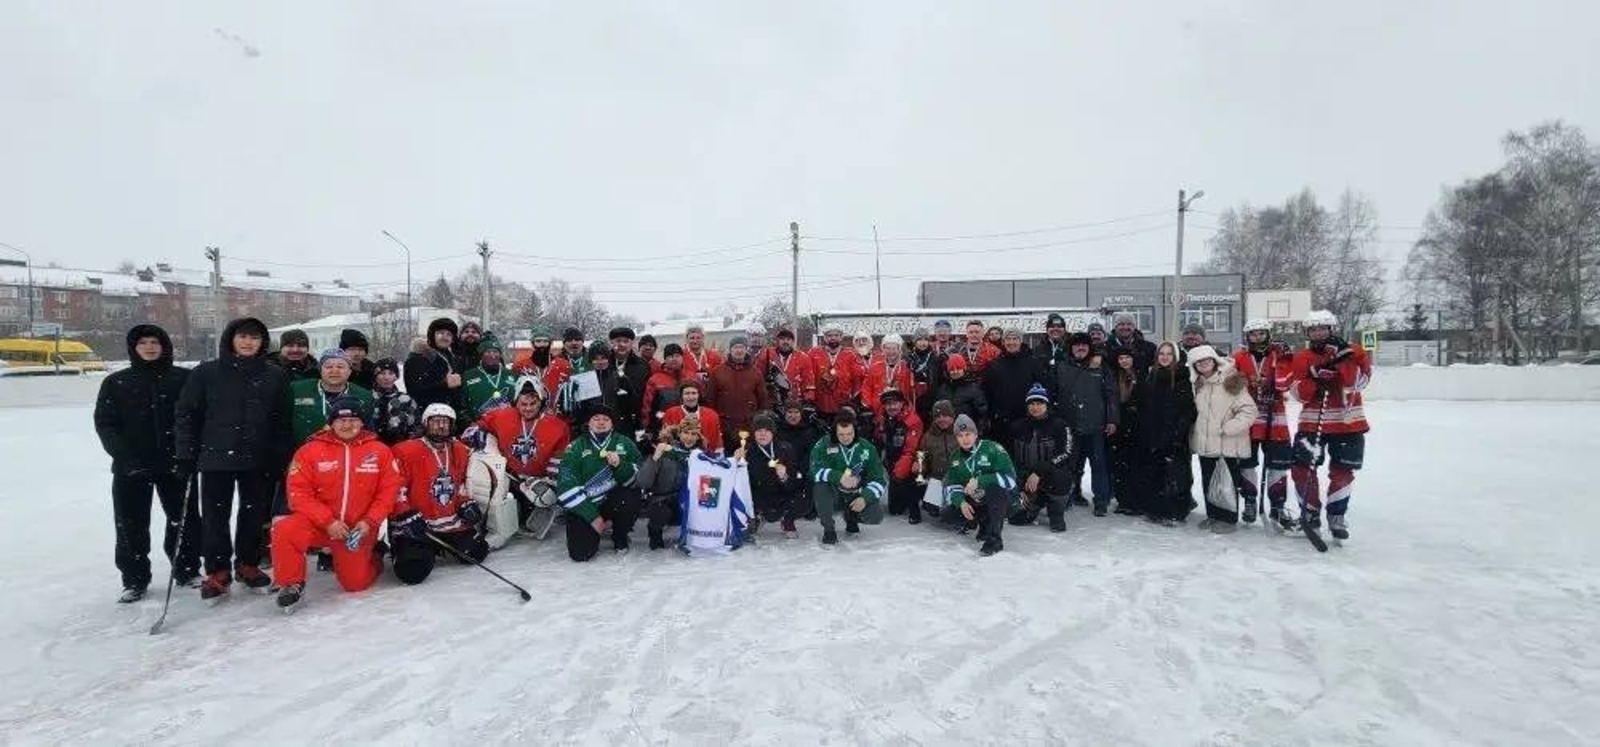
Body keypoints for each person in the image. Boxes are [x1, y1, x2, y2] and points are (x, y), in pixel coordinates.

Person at [175, 317, 291, 602]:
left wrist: (280, 454)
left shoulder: (274, 374)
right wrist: (185, 452)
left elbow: (281, 420)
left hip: (257, 457)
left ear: (263, 342)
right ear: (231, 339)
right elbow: (186, 414)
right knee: (215, 515)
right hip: (216, 456)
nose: (248, 342)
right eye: (243, 337)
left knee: (253, 514)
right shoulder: (206, 373)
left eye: (255, 337)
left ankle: (247, 564)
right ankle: (217, 570)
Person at [94, 324, 201, 602]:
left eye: (155, 341)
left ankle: (187, 569)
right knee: (130, 524)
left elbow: (197, 418)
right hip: (132, 466)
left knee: (184, 519)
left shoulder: (184, 378)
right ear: (134, 348)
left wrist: (188, 455)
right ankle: (135, 578)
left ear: (165, 345)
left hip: (176, 463)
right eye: (143, 343)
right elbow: (106, 424)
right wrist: (124, 456)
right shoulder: (116, 382)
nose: (150, 347)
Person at [270, 398, 399, 612]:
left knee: (355, 584)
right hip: (319, 524)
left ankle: (375, 553)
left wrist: (369, 521)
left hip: (357, 528)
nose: (347, 425)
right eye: (341, 420)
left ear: (362, 423)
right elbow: (298, 493)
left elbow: (388, 492)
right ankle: (291, 583)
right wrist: (327, 521)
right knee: (284, 529)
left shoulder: (380, 451)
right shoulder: (309, 450)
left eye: (352, 420)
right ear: (331, 423)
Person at [1289, 310, 1371, 542]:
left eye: (1322, 329)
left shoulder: (1354, 351)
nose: (1318, 333)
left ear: (1331, 329)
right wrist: (1314, 380)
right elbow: (1298, 393)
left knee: (1343, 471)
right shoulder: (1303, 356)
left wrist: (1344, 360)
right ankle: (1310, 513)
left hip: (1348, 423)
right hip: (1313, 422)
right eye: (1313, 330)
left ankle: (1336, 515)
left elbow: (1359, 382)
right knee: (1302, 468)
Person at [388, 404, 490, 584]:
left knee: (478, 551)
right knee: (412, 572)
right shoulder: (405, 451)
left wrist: (465, 503)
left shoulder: (460, 450)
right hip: (416, 525)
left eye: (445, 422)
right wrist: (404, 513)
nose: (441, 426)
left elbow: (461, 485)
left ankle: (438, 547)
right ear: (425, 424)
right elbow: (395, 488)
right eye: (436, 422)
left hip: (449, 522)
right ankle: (420, 549)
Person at [477, 376, 570, 530]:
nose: (528, 408)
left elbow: (559, 458)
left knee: (546, 497)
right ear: (516, 402)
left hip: (539, 479)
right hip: (510, 476)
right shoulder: (502, 415)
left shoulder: (558, 426)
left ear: (541, 402)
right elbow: (480, 424)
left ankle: (541, 505)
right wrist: (477, 432)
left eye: (533, 403)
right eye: (523, 404)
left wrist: (550, 482)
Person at [554, 405, 645, 560]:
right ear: (588, 423)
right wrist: (592, 517)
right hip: (586, 504)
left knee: (630, 498)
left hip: (614, 501)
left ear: (612, 423)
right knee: (580, 554)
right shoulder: (576, 447)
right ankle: (597, 527)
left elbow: (637, 482)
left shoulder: (625, 443)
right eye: (596, 419)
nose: (601, 422)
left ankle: (619, 534)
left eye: (606, 419)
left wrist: (620, 466)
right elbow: (565, 486)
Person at [1187, 345, 1258, 532]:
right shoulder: (1197, 384)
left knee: (1226, 484)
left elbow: (1249, 410)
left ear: (1214, 360)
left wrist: (1229, 428)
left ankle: (1228, 519)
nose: (1204, 364)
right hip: (1206, 443)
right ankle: (1213, 516)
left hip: (1227, 443)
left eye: (1207, 360)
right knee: (1209, 482)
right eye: (1199, 362)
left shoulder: (1230, 381)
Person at [1232, 319, 1295, 529]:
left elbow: (1286, 381)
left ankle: (1278, 505)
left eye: (1261, 334)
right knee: (1247, 462)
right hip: (1248, 416)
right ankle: (1250, 500)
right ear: (1247, 337)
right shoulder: (1239, 356)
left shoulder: (1279, 355)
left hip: (1274, 417)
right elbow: (1231, 383)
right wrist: (1246, 382)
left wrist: (1283, 363)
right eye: (1253, 334)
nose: (1257, 338)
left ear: (1268, 334)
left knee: (1277, 464)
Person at [1055, 331, 1119, 516]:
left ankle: (1101, 500)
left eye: (1084, 345)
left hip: (1095, 426)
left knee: (1098, 465)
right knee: (1071, 465)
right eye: (1077, 345)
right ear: (1071, 348)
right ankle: (1069, 496)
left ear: (1090, 348)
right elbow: (1053, 394)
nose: (1080, 348)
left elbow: (1111, 394)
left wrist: (1112, 419)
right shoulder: (1061, 367)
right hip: (1070, 426)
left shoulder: (1100, 366)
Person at [943, 414, 1019, 556]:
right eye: (960, 435)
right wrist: (961, 503)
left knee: (995, 491)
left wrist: (981, 480)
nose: (965, 439)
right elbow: (951, 485)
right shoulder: (955, 457)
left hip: (1005, 500)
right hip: (977, 498)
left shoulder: (993, 449)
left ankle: (995, 538)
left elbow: (1010, 480)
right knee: (948, 515)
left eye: (968, 434)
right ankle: (984, 523)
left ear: (976, 434)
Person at [808, 408, 887, 545]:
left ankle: (852, 516)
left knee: (876, 516)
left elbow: (879, 479)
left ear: (855, 431)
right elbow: (814, 470)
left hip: (856, 493)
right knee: (820, 486)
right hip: (834, 494)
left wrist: (865, 498)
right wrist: (838, 477)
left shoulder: (867, 447)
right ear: (835, 432)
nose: (845, 438)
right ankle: (829, 529)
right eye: (841, 434)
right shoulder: (823, 444)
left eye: (849, 433)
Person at [1139, 342, 1197, 525]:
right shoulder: (1151, 377)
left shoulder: (1183, 377)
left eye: (1169, 354)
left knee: (1176, 474)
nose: (1165, 357)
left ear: (1176, 357)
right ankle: (1156, 508)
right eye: (1161, 354)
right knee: (1154, 472)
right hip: (1153, 434)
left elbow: (1188, 410)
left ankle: (1177, 511)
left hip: (1175, 436)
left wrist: (1179, 432)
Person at [1007, 384, 1072, 532]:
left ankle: (1056, 512)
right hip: (1026, 478)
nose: (1035, 407)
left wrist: (1039, 471)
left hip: (1052, 475)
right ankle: (1036, 503)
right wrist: (1018, 485)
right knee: (1016, 519)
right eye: (1032, 404)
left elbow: (1067, 453)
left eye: (1039, 403)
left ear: (1046, 405)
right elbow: (1009, 457)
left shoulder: (1060, 425)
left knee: (1061, 477)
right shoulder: (1017, 426)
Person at [288, 348, 375, 446]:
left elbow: (368, 432)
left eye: (340, 366)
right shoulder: (297, 390)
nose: (334, 370)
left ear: (349, 371)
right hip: (304, 455)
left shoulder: (363, 396)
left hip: (347, 455)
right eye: (328, 366)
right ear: (320, 370)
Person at [636, 419, 700, 549]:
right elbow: (643, 482)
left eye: (694, 434)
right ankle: (655, 535)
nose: (689, 437)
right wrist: (654, 459)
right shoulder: (665, 451)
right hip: (664, 499)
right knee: (659, 510)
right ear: (679, 433)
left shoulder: (702, 455)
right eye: (686, 432)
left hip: (691, 500)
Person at [741, 413, 804, 539]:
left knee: (805, 492)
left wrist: (784, 476)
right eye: (759, 431)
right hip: (760, 495)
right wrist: (736, 460)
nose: (763, 434)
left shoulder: (785, 449)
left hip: (782, 494)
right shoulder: (747, 451)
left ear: (773, 433)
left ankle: (788, 520)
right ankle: (757, 516)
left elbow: (796, 480)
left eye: (766, 431)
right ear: (754, 433)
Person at [980, 329, 1044, 444]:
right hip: (1002, 422)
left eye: (1015, 339)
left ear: (1020, 341)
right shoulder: (994, 365)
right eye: (1008, 339)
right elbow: (986, 392)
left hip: (1027, 420)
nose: (1011, 342)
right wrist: (991, 415)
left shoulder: (1033, 363)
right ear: (1003, 342)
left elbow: (1042, 389)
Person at [706, 335, 770, 446]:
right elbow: (710, 400)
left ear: (746, 350)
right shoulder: (717, 372)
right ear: (730, 350)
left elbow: (763, 400)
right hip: (724, 425)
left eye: (742, 347)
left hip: (748, 425)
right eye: (735, 347)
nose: (739, 350)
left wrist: (758, 421)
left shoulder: (755, 372)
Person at [874, 389, 925, 524]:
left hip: (911, 463)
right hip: (893, 461)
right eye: (888, 404)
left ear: (902, 403)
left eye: (895, 403)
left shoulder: (912, 421)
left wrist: (899, 472)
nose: (892, 407)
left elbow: (911, 449)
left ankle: (918, 504)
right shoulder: (884, 419)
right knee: (894, 509)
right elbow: (880, 438)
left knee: (908, 480)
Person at [1107, 349, 1148, 515]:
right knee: (1119, 465)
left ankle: (1137, 501)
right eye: (1121, 358)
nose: (1124, 361)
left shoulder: (1143, 374)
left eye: (1127, 357)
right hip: (1119, 424)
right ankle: (1123, 501)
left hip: (1138, 425)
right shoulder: (1114, 376)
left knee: (1136, 465)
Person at [404, 318, 463, 413]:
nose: (445, 337)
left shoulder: (449, 356)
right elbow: (414, 390)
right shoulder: (418, 357)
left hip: (447, 412)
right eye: (441, 333)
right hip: (426, 413)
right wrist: (444, 384)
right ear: (432, 335)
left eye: (449, 334)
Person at [809, 324, 866, 422]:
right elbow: (808, 376)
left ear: (841, 337)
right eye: (830, 335)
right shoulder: (814, 353)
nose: (833, 338)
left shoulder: (851, 354)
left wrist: (855, 400)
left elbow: (858, 378)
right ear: (825, 337)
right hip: (820, 404)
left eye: (836, 335)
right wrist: (809, 400)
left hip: (843, 405)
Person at [754, 327, 816, 410]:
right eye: (782, 339)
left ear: (793, 342)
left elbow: (808, 381)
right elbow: (757, 378)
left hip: (795, 403)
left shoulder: (803, 357)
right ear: (777, 341)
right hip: (772, 402)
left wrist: (808, 402)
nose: (785, 342)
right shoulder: (767, 354)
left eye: (789, 339)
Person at [918, 400, 960, 520]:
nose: (941, 419)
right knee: (935, 511)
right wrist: (919, 469)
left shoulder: (962, 433)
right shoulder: (927, 437)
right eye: (938, 416)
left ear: (952, 416)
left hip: (958, 480)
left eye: (945, 415)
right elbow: (922, 458)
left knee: (952, 515)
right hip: (936, 481)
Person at [460, 337, 516, 423]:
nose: (492, 355)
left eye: (495, 352)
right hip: (478, 425)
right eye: (488, 352)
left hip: (506, 424)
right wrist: (470, 423)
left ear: (500, 355)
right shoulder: (469, 375)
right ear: (481, 355)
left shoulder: (512, 374)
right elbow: (462, 405)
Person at [609, 326, 651, 439]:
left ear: (632, 343)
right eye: (618, 341)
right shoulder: (604, 363)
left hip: (635, 421)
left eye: (626, 341)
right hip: (609, 421)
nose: (622, 344)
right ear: (611, 343)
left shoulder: (642, 366)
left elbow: (648, 396)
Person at [662, 380, 724, 452]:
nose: (690, 397)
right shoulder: (671, 413)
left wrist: (719, 456)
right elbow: (665, 438)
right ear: (681, 396)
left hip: (706, 457)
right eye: (687, 393)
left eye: (694, 393)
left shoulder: (712, 415)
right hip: (677, 456)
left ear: (699, 395)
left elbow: (718, 440)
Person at [641, 343, 688, 438]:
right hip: (663, 428)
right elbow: (647, 407)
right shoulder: (655, 379)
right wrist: (646, 428)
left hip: (688, 429)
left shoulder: (691, 377)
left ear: (682, 358)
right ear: (665, 359)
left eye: (677, 356)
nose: (674, 359)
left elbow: (702, 403)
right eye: (670, 356)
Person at [545, 327, 591, 420]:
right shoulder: (554, 362)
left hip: (589, 411)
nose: (574, 343)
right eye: (569, 340)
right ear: (564, 343)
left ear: (582, 342)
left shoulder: (592, 360)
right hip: (563, 412)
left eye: (577, 339)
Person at [863, 334, 915, 415]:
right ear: (883, 349)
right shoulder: (874, 367)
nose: (891, 352)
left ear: (899, 349)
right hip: (877, 410)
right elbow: (866, 388)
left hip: (899, 410)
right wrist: (869, 406)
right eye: (888, 348)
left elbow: (910, 392)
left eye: (894, 348)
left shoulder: (906, 368)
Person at [371, 357, 419, 446]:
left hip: (399, 446)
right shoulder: (367, 397)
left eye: (391, 373)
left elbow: (414, 427)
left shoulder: (405, 399)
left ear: (396, 376)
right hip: (371, 447)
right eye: (382, 373)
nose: (386, 377)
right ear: (375, 376)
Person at [906, 328, 946, 423]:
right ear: (915, 342)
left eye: (925, 340)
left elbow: (941, 380)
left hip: (932, 399)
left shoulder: (935, 358)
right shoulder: (909, 358)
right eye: (920, 340)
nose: (922, 343)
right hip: (914, 399)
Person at [939, 353, 988, 427]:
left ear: (964, 369)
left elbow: (982, 413)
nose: (955, 372)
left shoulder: (973, 389)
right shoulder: (943, 389)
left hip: (966, 432)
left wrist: (978, 432)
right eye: (952, 369)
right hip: (947, 431)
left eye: (958, 368)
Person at [1035, 313, 1071, 381]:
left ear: (1064, 329)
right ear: (1047, 329)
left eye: (1059, 326)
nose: (1055, 329)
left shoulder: (1072, 348)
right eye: (1052, 326)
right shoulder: (1037, 350)